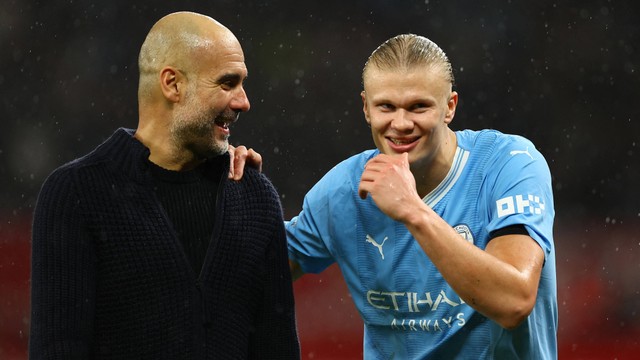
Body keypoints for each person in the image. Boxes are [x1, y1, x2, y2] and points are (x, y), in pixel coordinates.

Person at [240, 34, 557, 359]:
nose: (401, 123)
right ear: (366, 107)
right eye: (386, 106)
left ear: (450, 107)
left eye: (418, 106)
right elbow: (246, 273)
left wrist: (413, 210)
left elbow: (514, 302)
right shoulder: (344, 191)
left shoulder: (509, 165)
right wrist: (229, 190)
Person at [29, 11, 300, 359]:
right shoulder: (77, 195)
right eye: (227, 83)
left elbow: (277, 350)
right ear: (172, 84)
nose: (243, 101)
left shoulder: (254, 198)